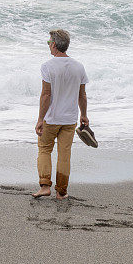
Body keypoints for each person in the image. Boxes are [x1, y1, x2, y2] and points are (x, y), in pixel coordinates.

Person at [32, 29, 89, 200]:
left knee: (44, 149)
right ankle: (61, 191)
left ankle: (44, 186)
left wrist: (40, 119)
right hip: (70, 118)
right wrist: (84, 115)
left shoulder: (48, 66)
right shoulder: (79, 66)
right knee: (65, 153)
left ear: (55, 45)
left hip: (52, 118)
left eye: (49, 42)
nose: (49, 45)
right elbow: (82, 95)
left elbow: (46, 95)